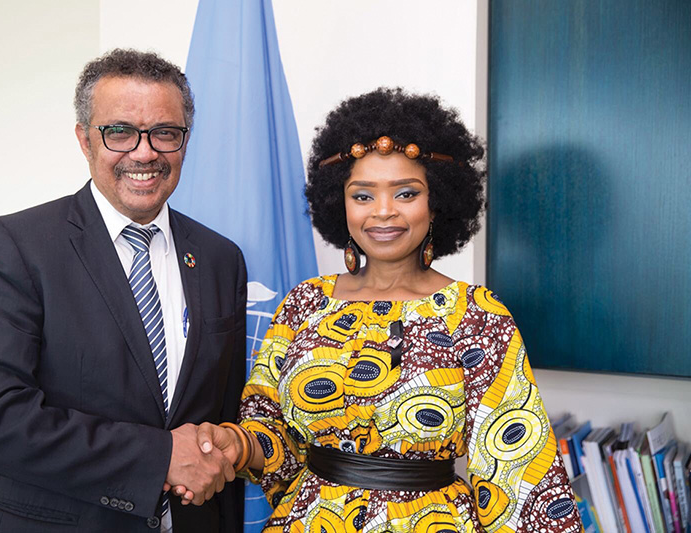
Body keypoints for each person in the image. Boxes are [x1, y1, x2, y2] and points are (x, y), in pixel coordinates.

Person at [184, 88, 582, 531]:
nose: (384, 213)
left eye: (406, 193)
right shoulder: (304, 304)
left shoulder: (477, 316)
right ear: (341, 203)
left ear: (437, 203)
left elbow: (518, 474)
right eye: (363, 195)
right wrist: (233, 444)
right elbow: (273, 435)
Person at [0, 49, 246, 532]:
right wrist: (160, 457)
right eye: (120, 132)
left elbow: (221, 415)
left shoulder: (220, 258)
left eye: (165, 133)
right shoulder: (16, 246)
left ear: (184, 142)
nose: (145, 152)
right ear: (85, 139)